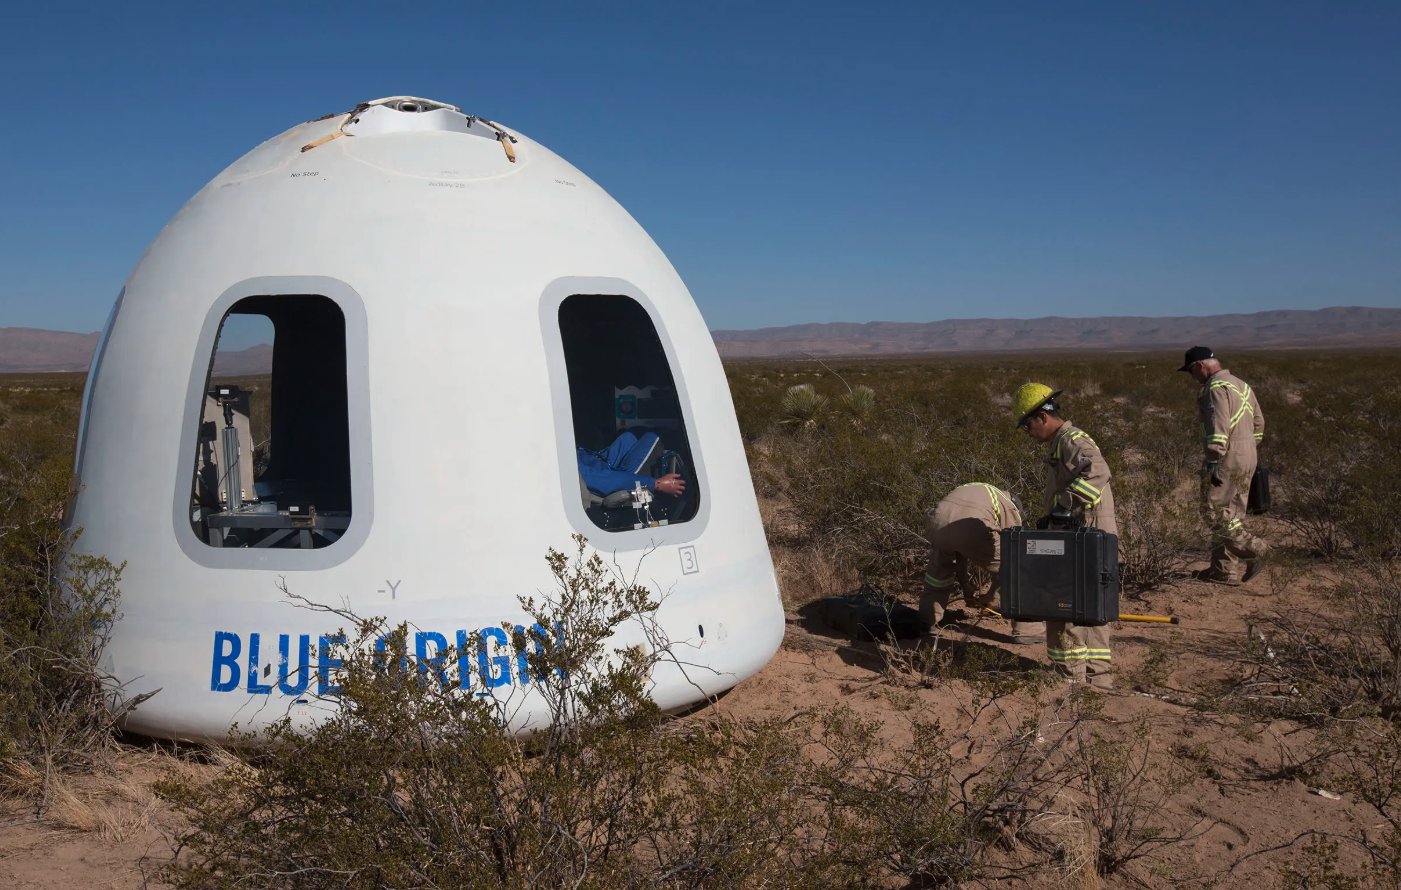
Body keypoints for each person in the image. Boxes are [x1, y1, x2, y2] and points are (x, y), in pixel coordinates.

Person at [1011, 383, 1116, 689]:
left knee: (1061, 604)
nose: (1027, 433)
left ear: (1043, 416)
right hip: (1088, 535)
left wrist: (1066, 506)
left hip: (1081, 536)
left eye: (1027, 425)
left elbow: (1098, 471)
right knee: (1091, 606)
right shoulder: (1063, 443)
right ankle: (1098, 678)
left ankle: (1067, 675)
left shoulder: (1071, 440)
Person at [1179, 346, 1267, 584]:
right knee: (1232, 512)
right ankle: (1223, 570)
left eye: (1190, 371)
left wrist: (1214, 461)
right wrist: (1247, 449)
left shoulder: (1215, 388)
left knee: (1213, 509)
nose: (1192, 378)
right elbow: (1258, 424)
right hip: (1247, 452)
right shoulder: (1242, 385)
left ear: (1200, 366)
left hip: (1226, 453)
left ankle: (1256, 549)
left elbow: (1218, 426)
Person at [922, 483, 1039, 641]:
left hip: (936, 523)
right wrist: (992, 595)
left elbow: (960, 551)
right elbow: (1010, 554)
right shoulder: (1009, 505)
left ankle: (928, 621)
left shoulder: (979, 489)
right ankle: (1028, 630)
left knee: (939, 573)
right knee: (1017, 571)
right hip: (969, 528)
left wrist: (965, 585)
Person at [577, 430, 686, 498]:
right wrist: (656, 484)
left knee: (632, 435)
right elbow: (606, 481)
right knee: (655, 435)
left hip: (603, 466)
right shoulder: (570, 472)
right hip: (615, 479)